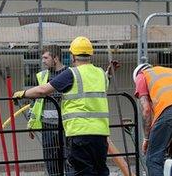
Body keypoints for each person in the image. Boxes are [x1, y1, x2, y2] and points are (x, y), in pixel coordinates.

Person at [14, 36, 110, 176]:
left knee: (80, 172)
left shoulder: (72, 74)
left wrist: (22, 93)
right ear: (90, 54)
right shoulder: (101, 73)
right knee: (100, 171)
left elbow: (43, 90)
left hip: (79, 133)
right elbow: (104, 87)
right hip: (101, 134)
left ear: (72, 56)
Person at [132, 63, 172, 176]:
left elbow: (147, 110)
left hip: (170, 112)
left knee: (153, 159)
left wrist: (147, 139)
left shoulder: (142, 75)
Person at [26, 45, 69, 176]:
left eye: (46, 57)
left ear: (55, 58)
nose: (43, 61)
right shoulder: (42, 76)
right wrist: (31, 124)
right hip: (48, 127)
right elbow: (35, 101)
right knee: (51, 163)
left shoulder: (70, 74)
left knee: (69, 161)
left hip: (66, 127)